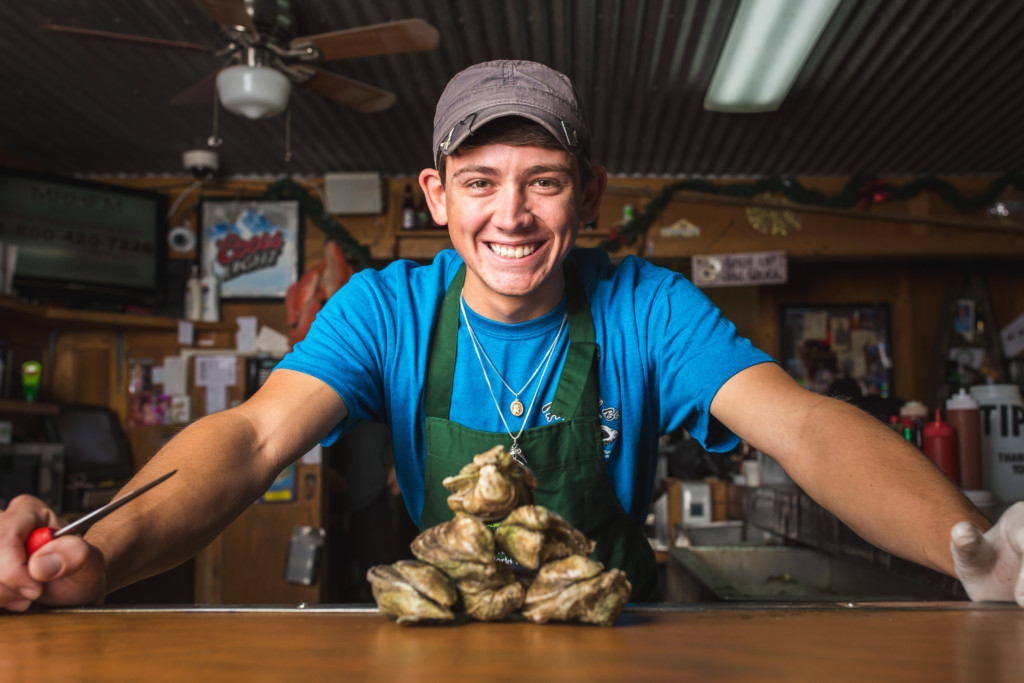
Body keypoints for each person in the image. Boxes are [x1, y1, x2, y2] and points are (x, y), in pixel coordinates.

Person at [2, 60, 1022, 609]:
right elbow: (248, 441)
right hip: (439, 634)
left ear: (588, 193)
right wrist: (100, 547)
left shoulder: (647, 306)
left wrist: (968, 550)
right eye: (481, 183)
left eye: (542, 181)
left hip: (614, 632)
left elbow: (800, 426)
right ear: (438, 197)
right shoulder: (384, 307)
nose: (512, 215)